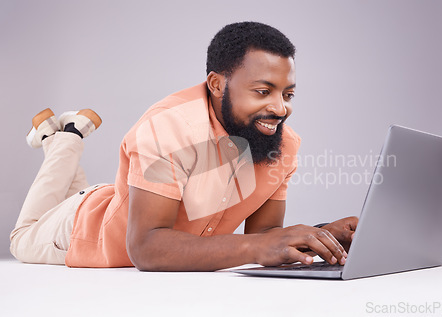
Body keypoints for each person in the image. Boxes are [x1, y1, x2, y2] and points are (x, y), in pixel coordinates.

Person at [10, 21, 358, 271]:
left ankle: (67, 146)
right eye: (263, 92)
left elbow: (265, 236)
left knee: (84, 192)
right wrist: (258, 247)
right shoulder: (167, 129)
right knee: (23, 234)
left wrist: (321, 235)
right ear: (217, 83)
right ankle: (65, 138)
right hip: (82, 229)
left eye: (288, 94)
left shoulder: (281, 144)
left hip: (123, 197)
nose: (281, 108)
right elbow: (146, 247)